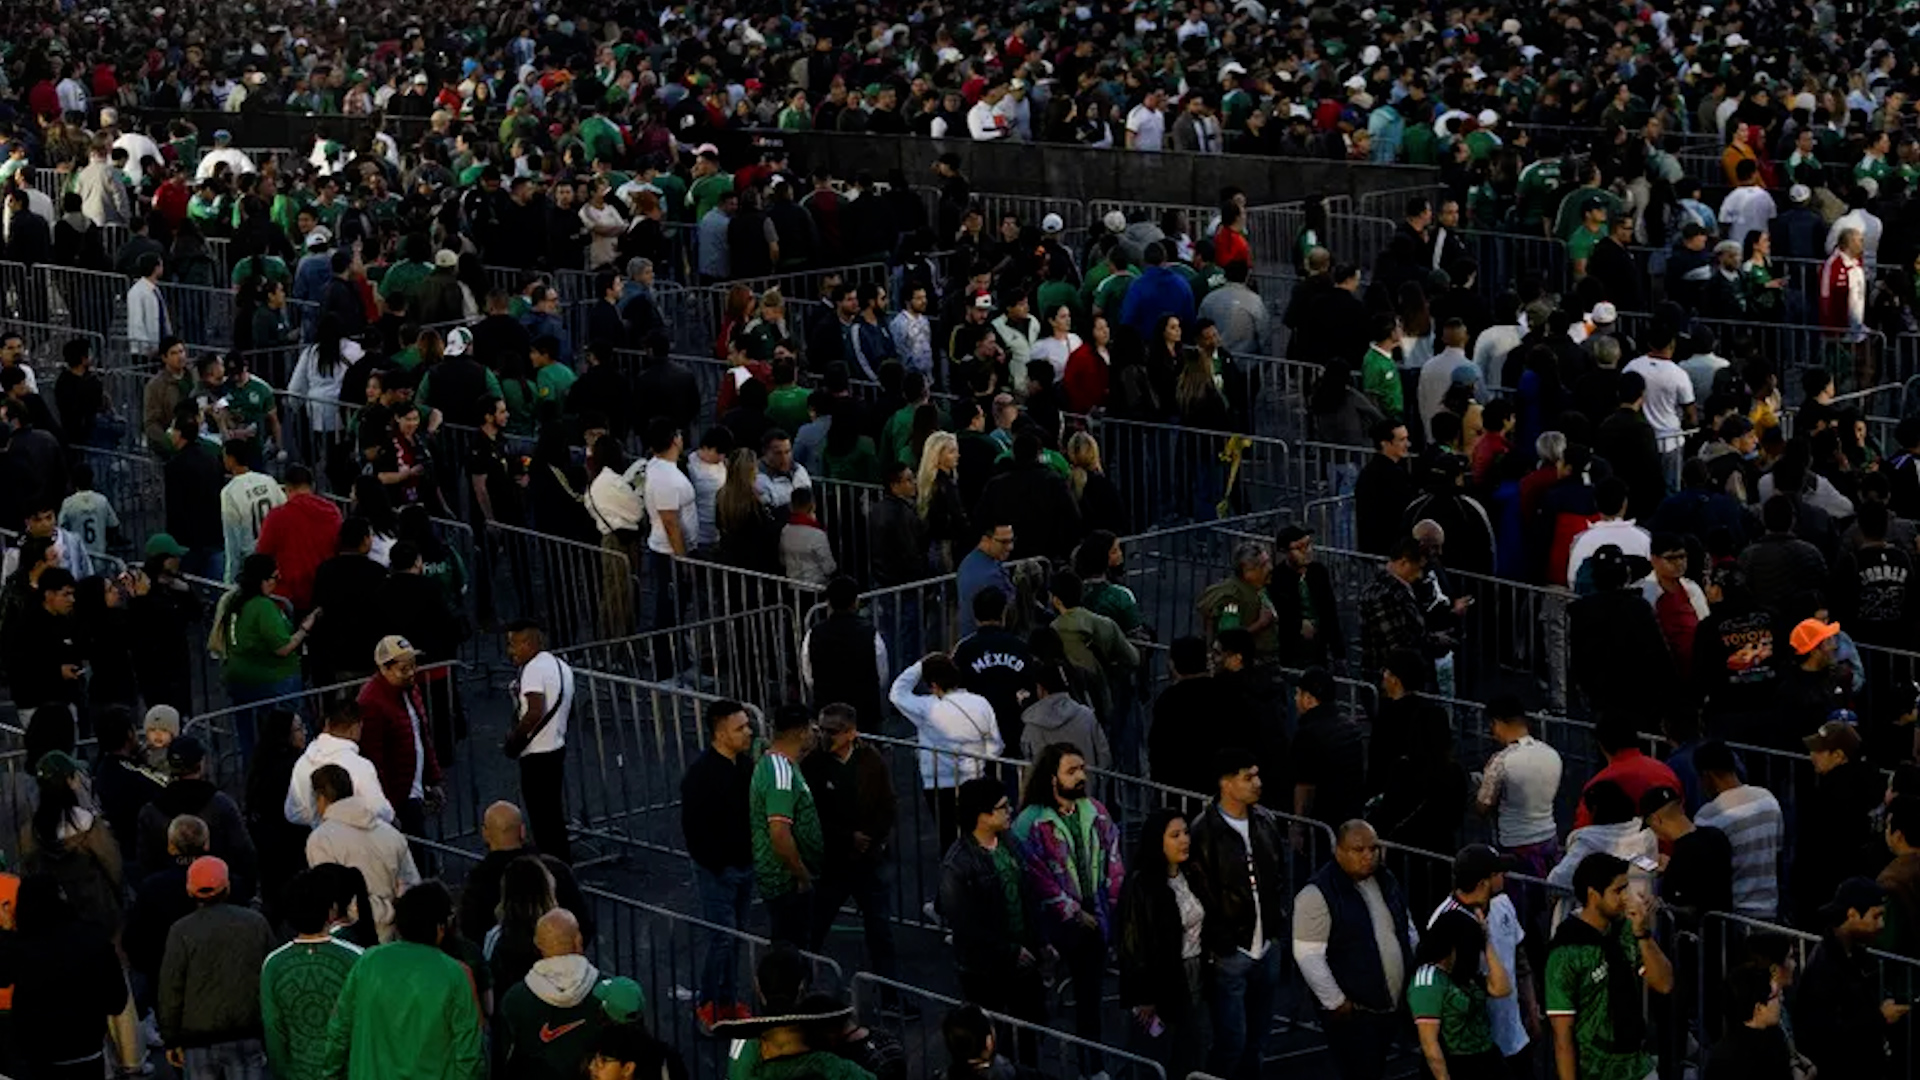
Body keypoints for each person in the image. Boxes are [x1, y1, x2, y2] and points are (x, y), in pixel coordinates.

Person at [1011, 744, 1125, 1071]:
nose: (1080, 777)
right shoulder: (1030, 823)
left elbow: (1114, 862)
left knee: (1089, 1004)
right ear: (1052, 778)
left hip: (1093, 922)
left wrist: (1111, 910)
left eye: (1082, 769)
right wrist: (1072, 911)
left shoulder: (1096, 811)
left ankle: (1093, 1068)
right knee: (1036, 1008)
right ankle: (1033, 1070)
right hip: (1048, 927)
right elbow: (1036, 878)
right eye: (1071, 771)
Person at [1189, 748, 1288, 1080]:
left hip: (1266, 946)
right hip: (1231, 953)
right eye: (1248, 777)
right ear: (1226, 783)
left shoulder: (1265, 821)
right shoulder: (1204, 831)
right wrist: (1223, 943)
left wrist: (1276, 930)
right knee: (1232, 1041)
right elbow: (1202, 892)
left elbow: (1277, 878)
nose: (1257, 783)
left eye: (1257, 775)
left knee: (1257, 1042)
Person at [322, 881, 486, 1080]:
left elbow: (339, 1029)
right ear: (441, 927)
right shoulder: (454, 974)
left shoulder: (369, 962)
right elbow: (469, 1053)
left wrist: (331, 1073)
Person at [1293, 819, 1415, 1080]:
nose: (1368, 856)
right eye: (1359, 850)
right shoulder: (1318, 893)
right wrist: (1336, 1002)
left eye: (1374, 848)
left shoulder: (1386, 879)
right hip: (1355, 1013)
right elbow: (1308, 956)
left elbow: (1405, 925)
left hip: (1390, 1006)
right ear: (1339, 851)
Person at [1546, 853, 1675, 1080]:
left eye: (1626, 888)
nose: (1626, 897)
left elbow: (1664, 984)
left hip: (1638, 1065)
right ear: (1593, 895)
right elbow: (1562, 1035)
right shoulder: (1566, 951)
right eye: (1618, 890)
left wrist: (1643, 935)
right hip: (1595, 1071)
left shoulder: (1626, 929)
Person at [936, 777, 1045, 1032]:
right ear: (982, 816)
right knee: (993, 1034)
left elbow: (1028, 895)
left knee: (1030, 1031)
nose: (1010, 811)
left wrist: (1040, 941)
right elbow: (966, 926)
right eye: (1002, 807)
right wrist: (1010, 951)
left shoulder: (1010, 843)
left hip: (1023, 960)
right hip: (985, 969)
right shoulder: (957, 865)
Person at [801, 704, 899, 983]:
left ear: (851, 732)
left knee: (880, 932)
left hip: (870, 861)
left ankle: (890, 994)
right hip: (834, 863)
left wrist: (871, 838)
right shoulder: (813, 764)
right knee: (815, 929)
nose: (824, 736)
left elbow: (888, 804)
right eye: (820, 729)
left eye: (832, 731)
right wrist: (847, 837)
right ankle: (799, 986)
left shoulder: (871, 759)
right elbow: (811, 814)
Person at [0, 874, 131, 1080]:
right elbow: (117, 1001)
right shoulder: (92, 938)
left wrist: (6, 934)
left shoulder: (20, 947)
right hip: (86, 1046)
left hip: (37, 1052)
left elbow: (3, 976)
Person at [156, 855, 276, 1078]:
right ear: (227, 887)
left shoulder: (181, 931)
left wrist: (170, 1038)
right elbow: (271, 977)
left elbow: (171, 989)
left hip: (197, 1039)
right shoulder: (255, 923)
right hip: (245, 1033)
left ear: (190, 891)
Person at [1117, 807, 1210, 1077]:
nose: (1184, 840)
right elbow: (1133, 944)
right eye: (1175, 835)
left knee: (1191, 1047)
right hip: (1161, 979)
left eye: (1186, 833)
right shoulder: (1141, 884)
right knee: (1157, 1052)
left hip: (1194, 970)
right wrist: (1144, 994)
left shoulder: (1190, 874)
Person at [680, 702, 756, 1029]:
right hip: (718, 871)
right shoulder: (700, 775)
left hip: (743, 865)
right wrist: (717, 864)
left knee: (734, 938)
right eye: (740, 728)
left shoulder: (746, 766)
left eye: (747, 725)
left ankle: (726, 999)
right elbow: (694, 829)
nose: (748, 732)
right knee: (723, 939)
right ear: (720, 733)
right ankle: (708, 1004)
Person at [1428, 846, 1533, 1072]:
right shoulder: (1445, 921)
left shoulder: (1503, 904)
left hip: (1513, 1034)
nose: (1503, 877)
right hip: (1472, 1046)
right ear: (1483, 883)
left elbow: (1520, 959)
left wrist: (1532, 1007)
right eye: (1497, 873)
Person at [1797, 878, 1910, 1079]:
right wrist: (1879, 1018)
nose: (1881, 924)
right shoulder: (1824, 967)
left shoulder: (1855, 955)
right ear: (1852, 914)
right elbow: (1824, 1032)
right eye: (1876, 916)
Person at [889, 653, 1003, 853]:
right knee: (979, 837)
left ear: (933, 685)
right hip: (975, 778)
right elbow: (995, 744)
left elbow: (897, 693)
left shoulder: (927, 707)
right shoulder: (980, 702)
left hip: (938, 783)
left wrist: (921, 664)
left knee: (949, 840)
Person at [261, 868, 365, 1080]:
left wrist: (282, 1073)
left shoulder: (273, 964)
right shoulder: (357, 958)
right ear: (331, 911)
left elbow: (273, 1029)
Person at [134, 734, 259, 904]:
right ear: (201, 764)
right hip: (219, 891)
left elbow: (145, 861)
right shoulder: (221, 804)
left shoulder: (151, 811)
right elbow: (243, 851)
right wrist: (243, 890)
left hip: (169, 897)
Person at [306, 763, 420, 943]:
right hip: (395, 936)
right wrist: (390, 911)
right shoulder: (390, 833)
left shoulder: (321, 839)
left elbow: (329, 895)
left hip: (350, 938)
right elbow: (411, 886)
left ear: (320, 797)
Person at [457, 802, 591, 954]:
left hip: (505, 965)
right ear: (522, 830)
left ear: (485, 834)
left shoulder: (478, 880)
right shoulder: (555, 869)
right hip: (560, 960)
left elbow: (470, 932)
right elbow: (583, 922)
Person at [498, 909, 608, 1080]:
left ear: (538, 945)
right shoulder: (608, 992)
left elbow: (504, 1060)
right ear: (578, 941)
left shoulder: (514, 1000)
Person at [353, 636, 443, 840]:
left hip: (412, 788)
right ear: (384, 669)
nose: (411, 673)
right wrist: (388, 807)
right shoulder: (371, 702)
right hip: (399, 796)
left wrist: (433, 779)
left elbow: (422, 736)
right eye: (403, 669)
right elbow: (374, 760)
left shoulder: (410, 689)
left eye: (413, 666)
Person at [751, 704, 824, 946]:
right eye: (811, 728)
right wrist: (802, 875)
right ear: (802, 733)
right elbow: (780, 833)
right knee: (791, 946)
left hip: (786, 878)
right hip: (786, 881)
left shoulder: (781, 764)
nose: (815, 733)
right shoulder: (780, 774)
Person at [1410, 907, 1512, 1080]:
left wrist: (1486, 942)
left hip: (1486, 1058)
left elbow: (1502, 988)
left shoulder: (1463, 972)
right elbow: (1430, 1044)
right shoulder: (1428, 981)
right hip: (1456, 1064)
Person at [506, 619, 575, 864]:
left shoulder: (533, 669)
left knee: (542, 819)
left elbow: (535, 711)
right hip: (556, 746)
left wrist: (515, 740)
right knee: (553, 816)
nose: (510, 651)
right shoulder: (561, 666)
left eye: (514, 644)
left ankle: (550, 869)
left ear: (528, 642)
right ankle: (561, 866)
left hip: (537, 754)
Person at [1691, 740, 1784, 921]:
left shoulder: (1708, 816)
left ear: (1707, 776)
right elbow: (1778, 851)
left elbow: (1705, 872)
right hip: (1771, 908)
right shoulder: (1768, 799)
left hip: (1735, 915)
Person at [285, 701, 393, 828]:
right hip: (353, 835)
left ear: (327, 724)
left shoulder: (303, 761)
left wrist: (317, 819)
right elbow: (381, 812)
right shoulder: (360, 766)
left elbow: (293, 812)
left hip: (316, 836)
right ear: (356, 728)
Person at [1639, 786, 1733, 929]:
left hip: (1698, 937)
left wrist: (1659, 905)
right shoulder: (1716, 836)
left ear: (1656, 820)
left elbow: (1688, 908)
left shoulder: (1683, 856)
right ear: (1681, 807)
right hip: (1726, 931)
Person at [1292, 666, 1367, 830]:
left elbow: (1305, 786)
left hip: (1323, 821)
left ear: (1308, 699)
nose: (1295, 699)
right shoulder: (1350, 727)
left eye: (1298, 693)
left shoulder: (1307, 735)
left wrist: (1299, 825)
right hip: (1352, 816)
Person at [1704, 964, 1792, 1080]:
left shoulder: (1719, 1053)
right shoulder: (1768, 1052)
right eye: (1776, 996)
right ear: (1759, 1008)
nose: (1781, 999)